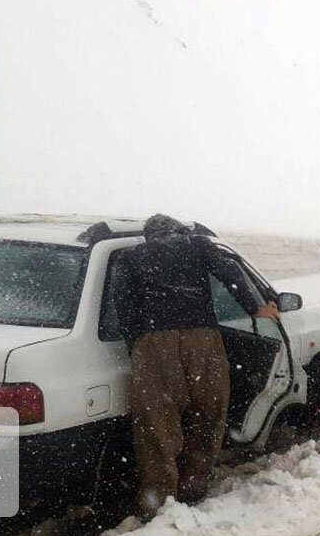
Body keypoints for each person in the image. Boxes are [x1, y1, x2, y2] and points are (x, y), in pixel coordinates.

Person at [113, 214, 279, 519]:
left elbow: (122, 301)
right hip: (202, 339)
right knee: (208, 412)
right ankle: (194, 486)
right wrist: (254, 306)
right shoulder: (198, 245)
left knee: (157, 424)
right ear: (178, 230)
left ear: (149, 236)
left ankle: (159, 500)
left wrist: (137, 342)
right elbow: (229, 272)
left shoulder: (131, 257)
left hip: (154, 342)